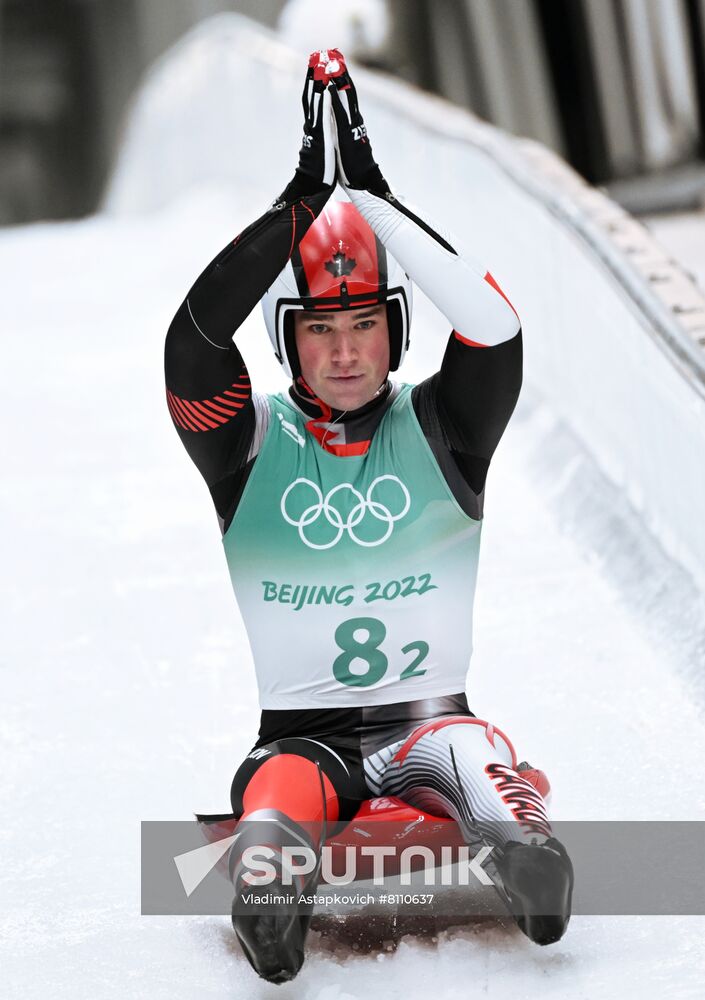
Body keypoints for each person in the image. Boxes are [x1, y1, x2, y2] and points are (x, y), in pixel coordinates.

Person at [165, 49, 573, 984]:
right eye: (320, 328)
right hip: (301, 741)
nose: (344, 352)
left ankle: (525, 854)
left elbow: (495, 330)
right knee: (281, 784)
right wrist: (294, 213)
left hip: (432, 726)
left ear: (395, 327)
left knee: (472, 750)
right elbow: (190, 346)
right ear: (288, 340)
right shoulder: (243, 444)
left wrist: (374, 201)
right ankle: (271, 890)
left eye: (362, 324)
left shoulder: (447, 428)